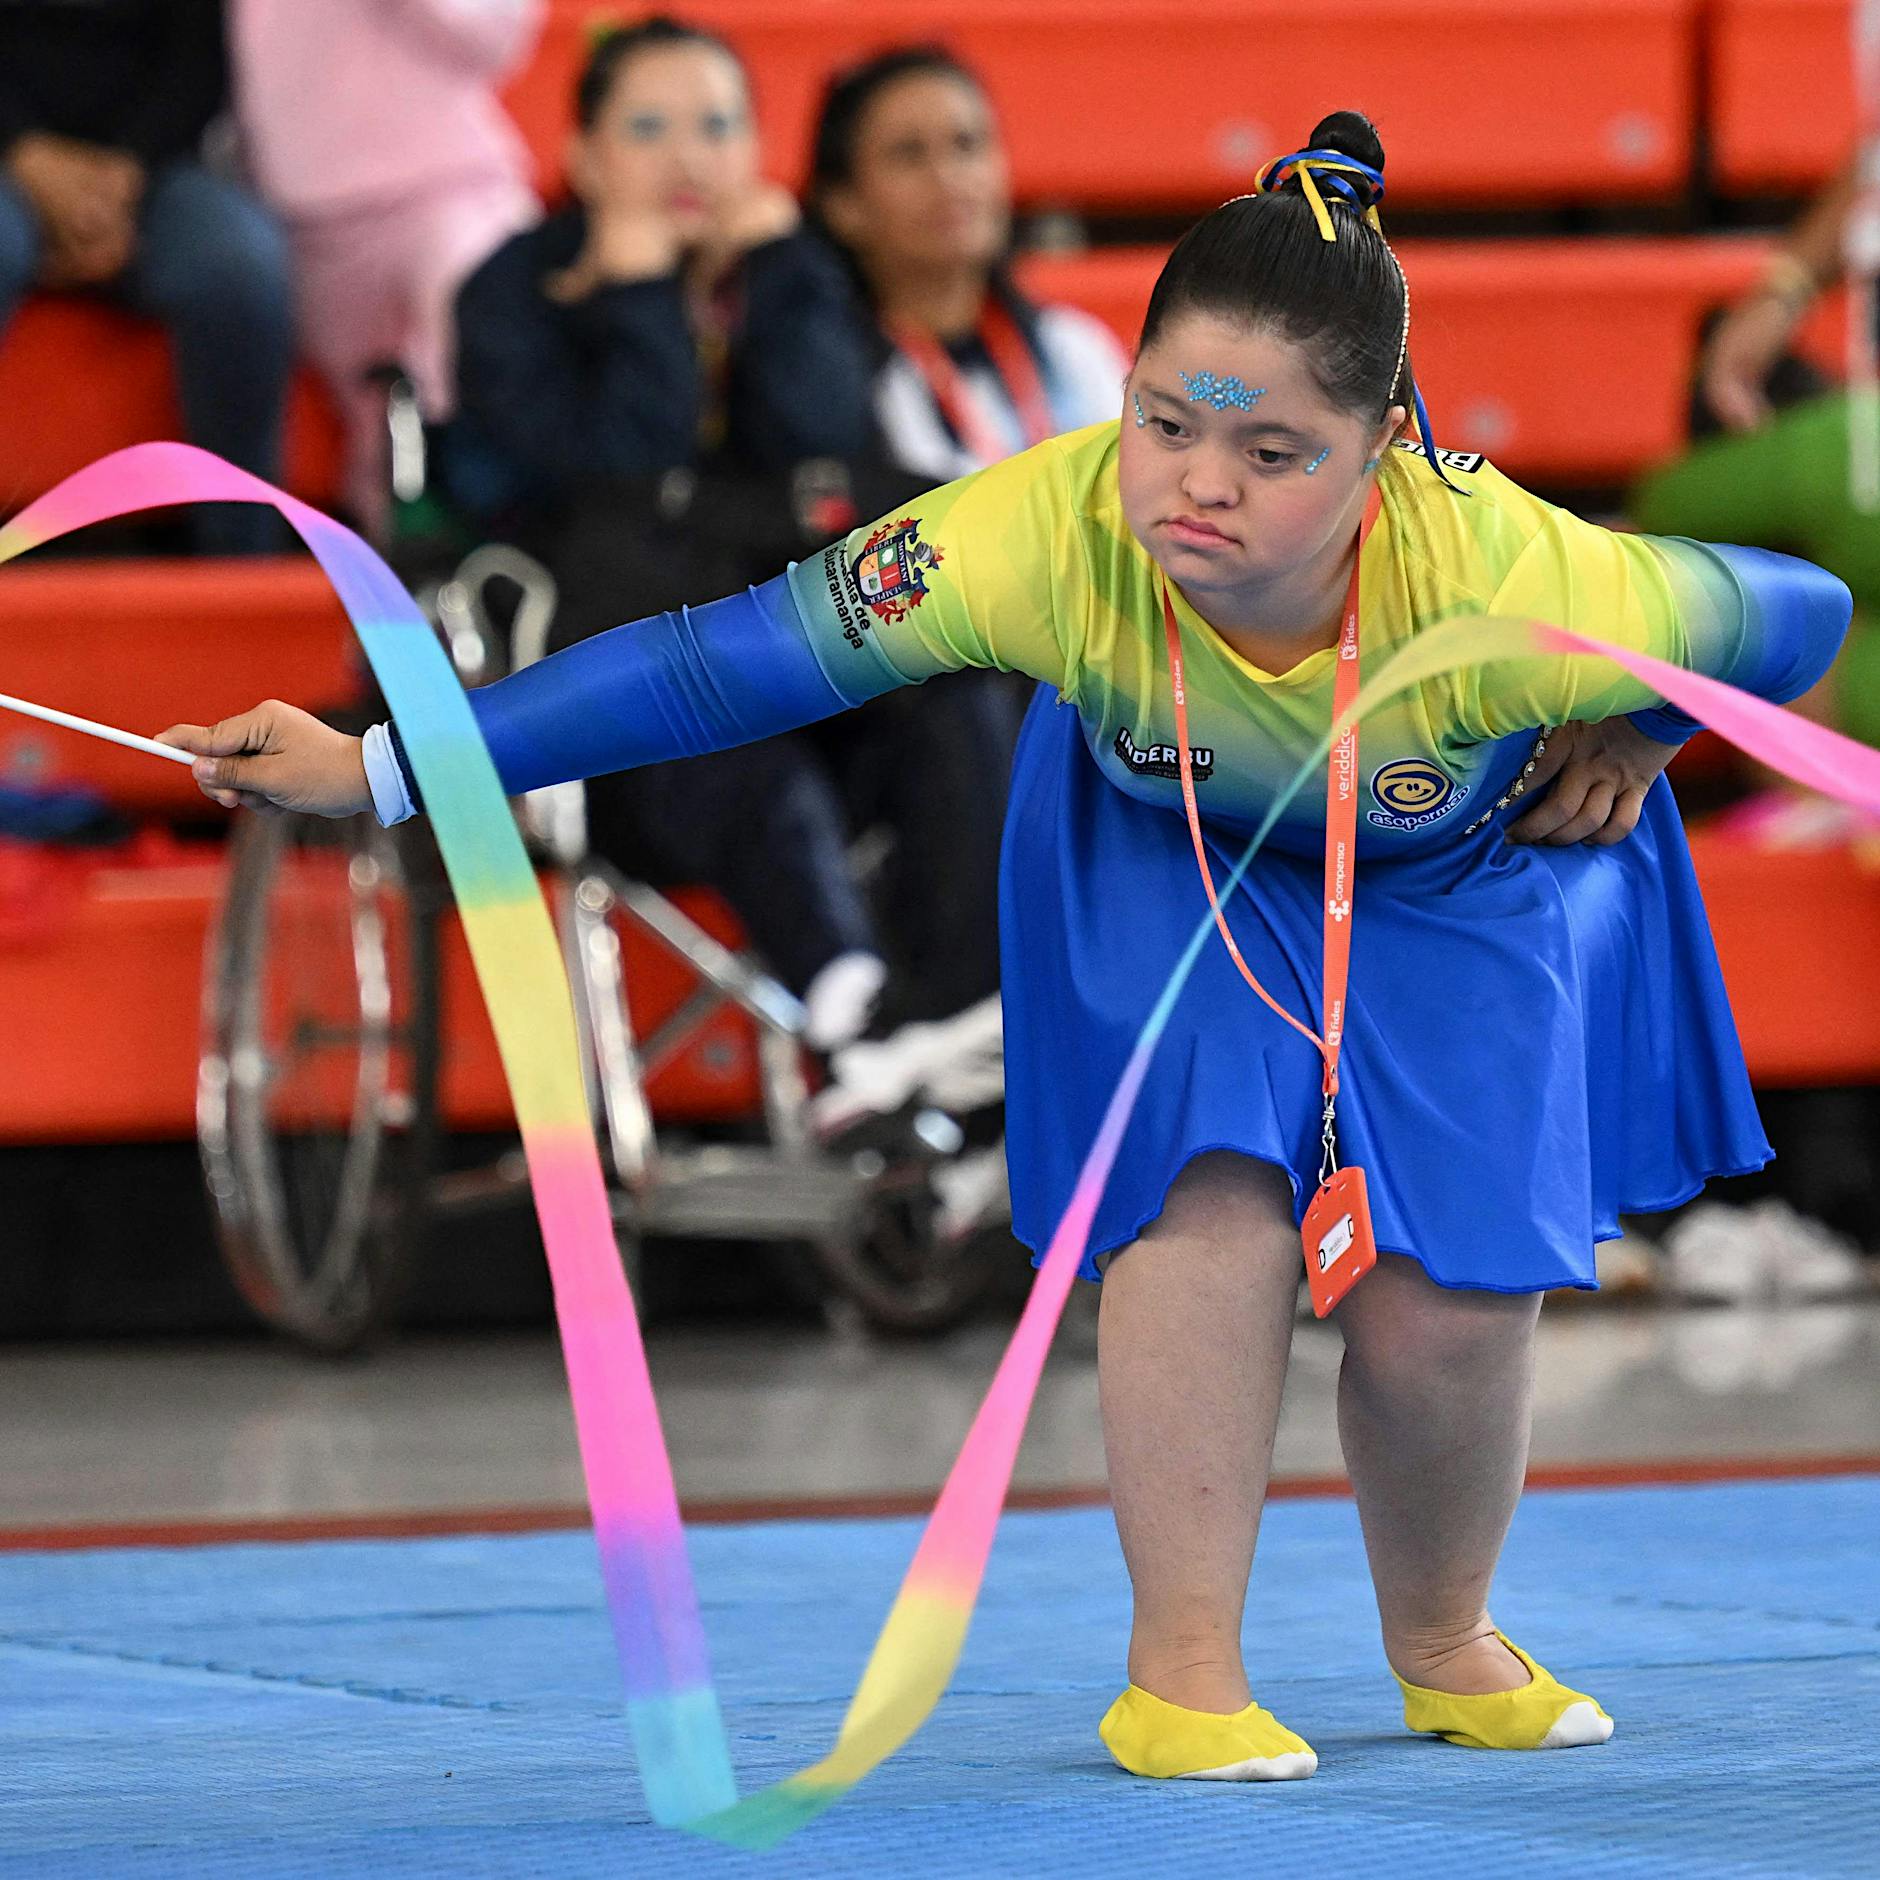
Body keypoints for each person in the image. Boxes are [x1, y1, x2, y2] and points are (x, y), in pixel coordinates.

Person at [160, 113, 1850, 1782]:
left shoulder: (1517, 572)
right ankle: (1182, 1674)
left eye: (1273, 457)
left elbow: (1803, 615)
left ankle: (1441, 1642)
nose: (1199, 484)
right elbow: (709, 665)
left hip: (1444, 884)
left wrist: (1640, 730)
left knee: (1452, 1314)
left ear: (1385, 448)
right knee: (1210, 1209)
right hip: (1163, 856)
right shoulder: (1038, 533)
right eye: (1167, 421)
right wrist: (385, 762)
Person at [449, 17, 1016, 1095]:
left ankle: (954, 1021)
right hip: (613, 704)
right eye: (648, 127)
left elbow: (823, 446)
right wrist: (637, 296)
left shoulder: (790, 271)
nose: (687, 157)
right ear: (582, 159)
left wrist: (774, 275)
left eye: (716, 126)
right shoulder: (510, 293)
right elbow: (613, 472)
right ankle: (852, 1007)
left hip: (795, 663)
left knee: (956, 682)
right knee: (716, 705)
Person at [229, 0, 544, 531]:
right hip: (303, 217)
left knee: (489, 367)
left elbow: (499, 37)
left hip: (451, 190)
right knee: (384, 451)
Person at [0, 0, 294, 555]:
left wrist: (119, 176)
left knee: (242, 269)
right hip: (9, 158)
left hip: (148, 172)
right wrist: (26, 154)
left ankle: (243, 574)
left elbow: (197, 64)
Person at [809, 45, 1131, 483]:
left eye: (967, 144)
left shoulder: (1074, 347)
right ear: (843, 204)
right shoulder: (830, 381)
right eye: (908, 153)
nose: (948, 176)